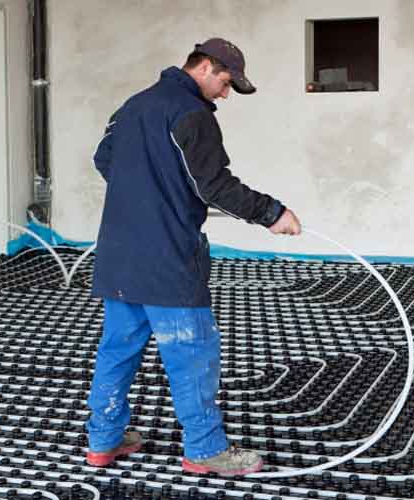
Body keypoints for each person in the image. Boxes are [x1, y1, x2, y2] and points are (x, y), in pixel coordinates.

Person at [86, 37, 301, 477]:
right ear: (205, 67)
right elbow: (213, 186)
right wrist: (272, 213)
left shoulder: (133, 105)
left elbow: (104, 157)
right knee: (192, 355)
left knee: (117, 350)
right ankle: (204, 450)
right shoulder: (192, 114)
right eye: (226, 82)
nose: (226, 93)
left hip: (119, 252)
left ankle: (103, 440)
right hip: (166, 258)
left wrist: (146, 194)